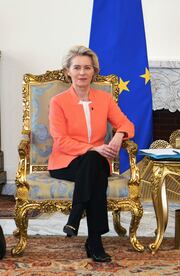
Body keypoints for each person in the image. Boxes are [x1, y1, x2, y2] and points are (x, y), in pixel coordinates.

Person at [48, 45, 134, 263]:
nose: (82, 73)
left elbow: (127, 124)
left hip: (94, 162)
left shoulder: (104, 99)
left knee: (94, 162)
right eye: (77, 67)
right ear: (67, 71)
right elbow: (61, 140)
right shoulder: (58, 101)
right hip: (65, 163)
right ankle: (94, 241)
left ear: (94, 71)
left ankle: (76, 216)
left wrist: (118, 135)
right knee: (94, 164)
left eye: (87, 68)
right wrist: (92, 148)